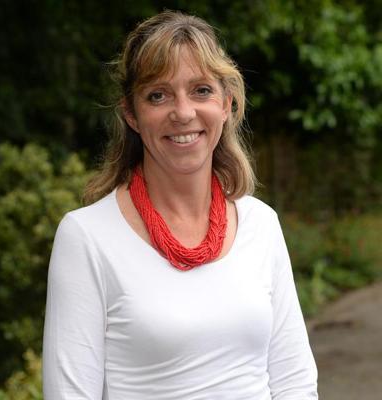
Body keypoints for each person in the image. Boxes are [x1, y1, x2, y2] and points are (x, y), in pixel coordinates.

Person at [42, 10, 318, 399]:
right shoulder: (87, 236)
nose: (184, 113)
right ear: (131, 114)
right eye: (158, 95)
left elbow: (294, 382)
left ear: (226, 103)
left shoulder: (261, 223)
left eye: (201, 90)